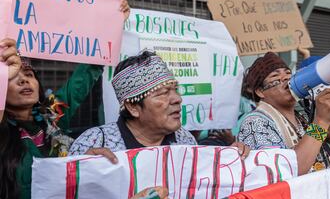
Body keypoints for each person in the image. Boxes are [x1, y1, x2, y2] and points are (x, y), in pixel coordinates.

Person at [0, 0, 130, 199]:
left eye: (29, 75)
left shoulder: (51, 114)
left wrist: (83, 163)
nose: (24, 81)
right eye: (13, 77)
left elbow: (81, 80)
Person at [69, 51, 250, 158]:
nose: (177, 99)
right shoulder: (94, 143)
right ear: (133, 107)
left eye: (175, 89)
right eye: (163, 93)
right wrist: (82, 173)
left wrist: (230, 159)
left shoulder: (184, 140)